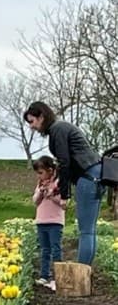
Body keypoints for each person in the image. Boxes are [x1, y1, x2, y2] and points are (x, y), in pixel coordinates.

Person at [24, 101, 102, 265]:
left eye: (32, 121)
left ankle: (81, 273)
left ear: (42, 117)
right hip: (95, 175)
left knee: (86, 231)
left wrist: (64, 194)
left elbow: (64, 163)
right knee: (89, 230)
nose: (31, 126)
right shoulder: (61, 127)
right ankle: (85, 272)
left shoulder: (57, 130)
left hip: (88, 178)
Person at [31, 155, 68, 290]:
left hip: (55, 221)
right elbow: (35, 201)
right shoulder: (40, 184)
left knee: (55, 249)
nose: (39, 176)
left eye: (41, 173)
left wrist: (52, 195)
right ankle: (44, 275)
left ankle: (57, 278)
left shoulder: (59, 183)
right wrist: (41, 193)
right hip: (42, 221)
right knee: (45, 249)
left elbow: (64, 203)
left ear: (50, 170)